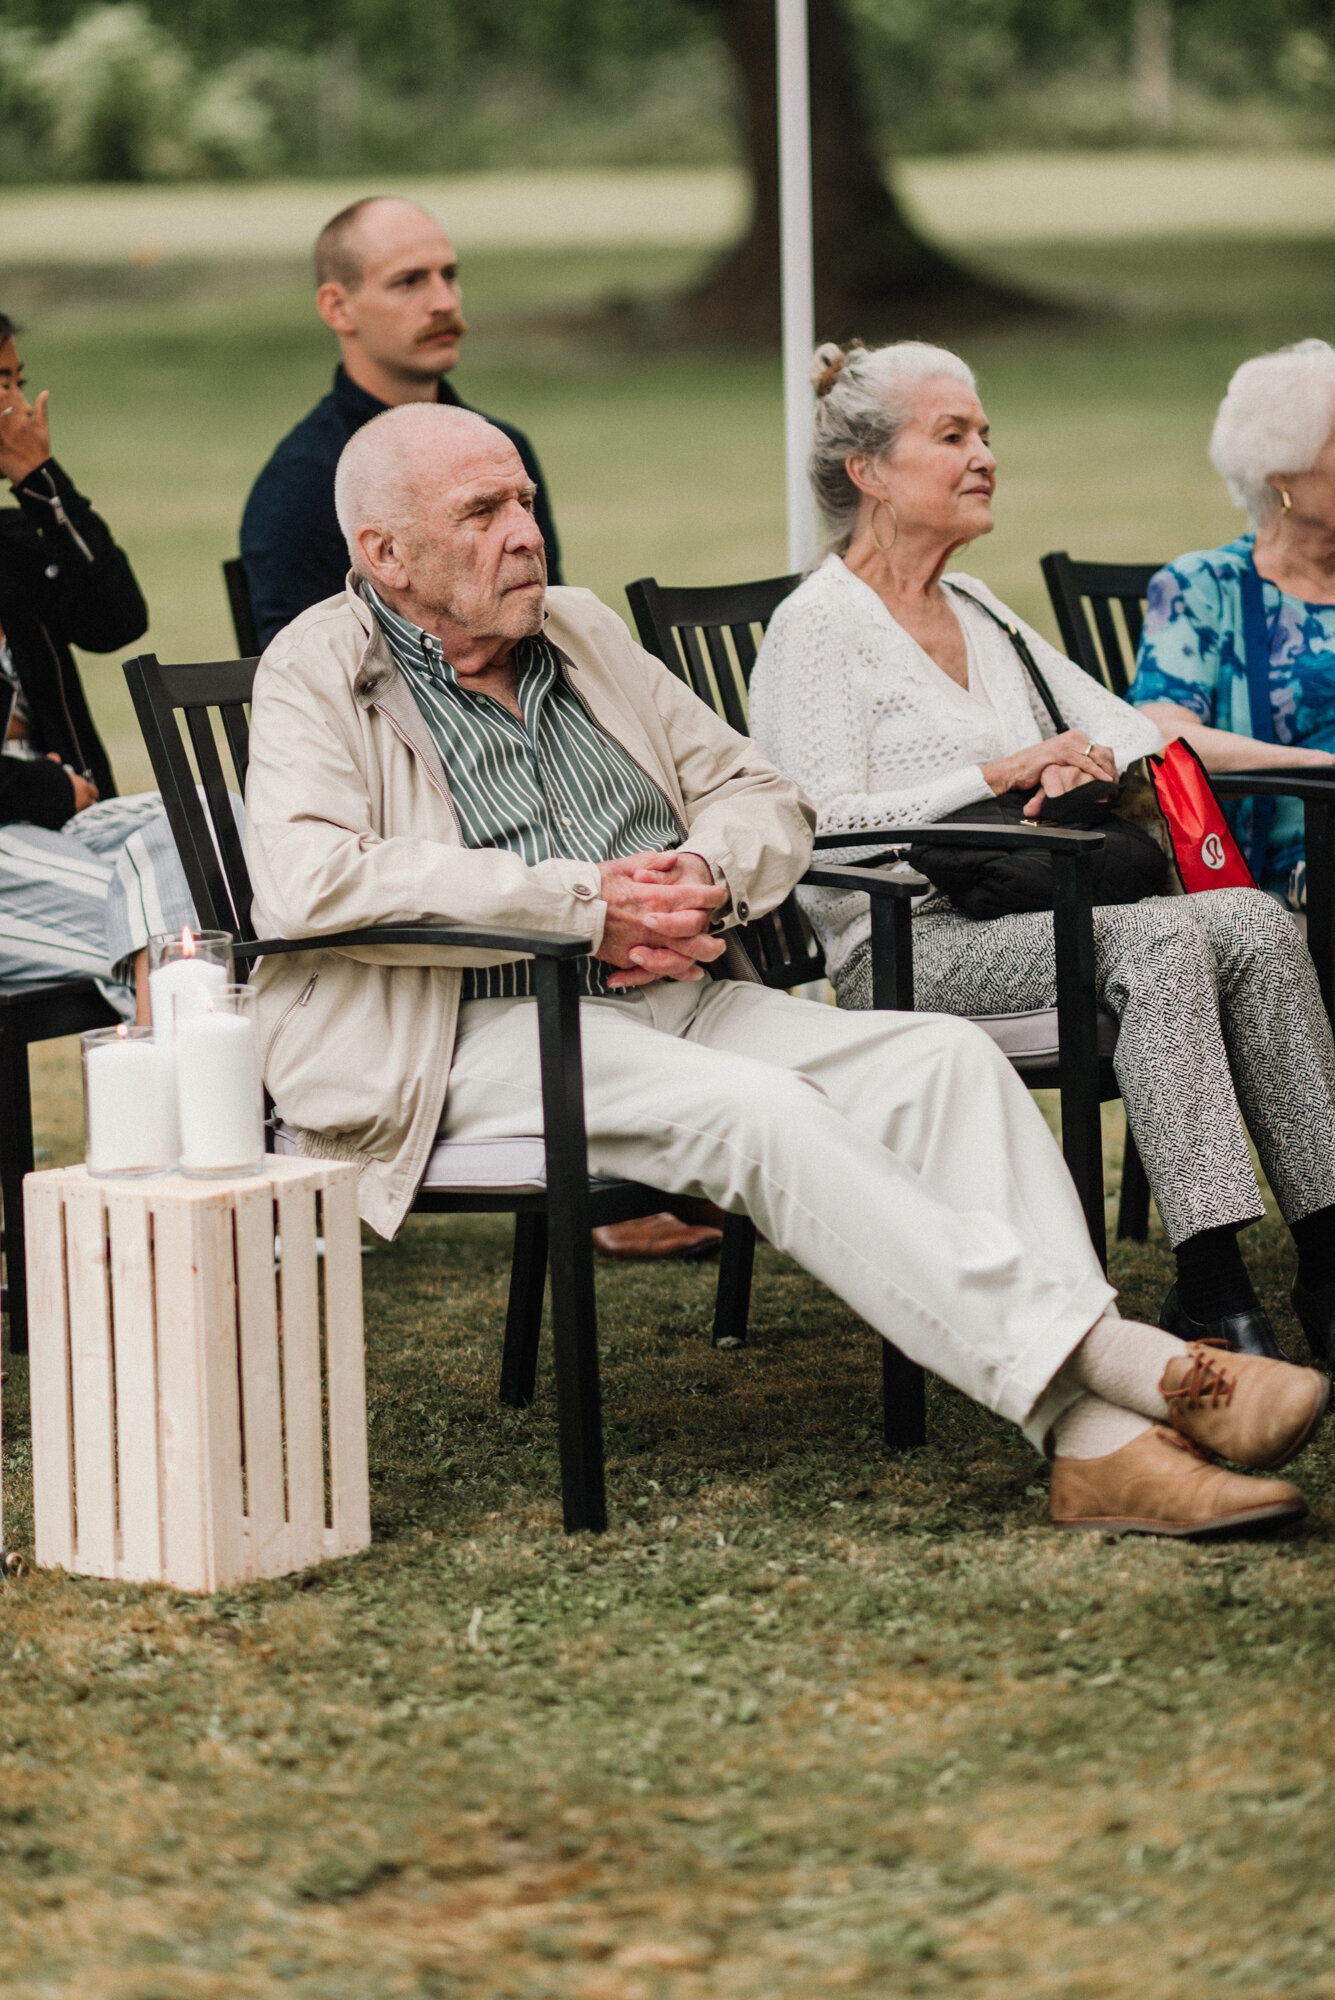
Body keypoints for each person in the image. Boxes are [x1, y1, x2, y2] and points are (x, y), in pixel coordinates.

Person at [241, 398, 1331, 1539]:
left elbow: (762, 793)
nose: (526, 530)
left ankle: (1095, 1448)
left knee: (945, 1059)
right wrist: (582, 907)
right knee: (760, 1111)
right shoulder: (318, 666)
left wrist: (703, 876)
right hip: (464, 1028)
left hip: (678, 992)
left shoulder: (579, 627)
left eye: (523, 499)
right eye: (483, 511)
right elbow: (313, 878)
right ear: (386, 553)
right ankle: (1127, 1367)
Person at [747, 338, 1335, 1375]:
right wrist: (997, 770)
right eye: (953, 435)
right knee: (1158, 943)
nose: (984, 456)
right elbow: (819, 822)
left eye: (986, 435)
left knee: (1247, 918)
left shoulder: (983, 609)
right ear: (868, 471)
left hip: (1049, 908)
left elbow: (1139, 723)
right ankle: (1212, 1283)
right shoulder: (818, 627)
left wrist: (1088, 755)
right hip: (907, 940)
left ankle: (1329, 1260)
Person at [239, 196, 562, 652]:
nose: (444, 302)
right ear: (337, 307)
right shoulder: (305, 480)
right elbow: (304, 674)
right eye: (409, 282)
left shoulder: (504, 452)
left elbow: (546, 624)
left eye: (449, 276)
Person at [0, 311, 198, 1015]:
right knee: (179, 941)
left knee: (212, 821)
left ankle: (173, 1081)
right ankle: (196, 1113)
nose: (19, 409)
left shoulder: (15, 542)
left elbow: (116, 621)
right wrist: (44, 794)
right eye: (1, 387)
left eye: (19, 384)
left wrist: (38, 479)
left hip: (60, 827)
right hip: (23, 827)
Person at [1131, 339, 1335, 912]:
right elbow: (1163, 735)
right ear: (1282, 474)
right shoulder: (1203, 587)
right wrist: (1323, 770)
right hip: (1286, 878)